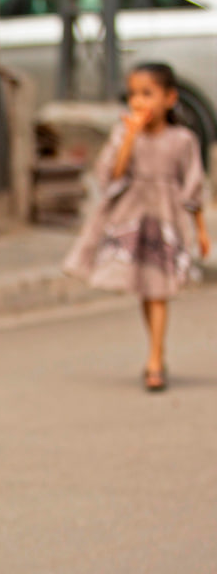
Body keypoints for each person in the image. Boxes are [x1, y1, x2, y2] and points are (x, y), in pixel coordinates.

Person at [63, 61, 210, 392]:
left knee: (158, 292)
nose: (139, 102)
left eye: (147, 94)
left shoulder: (182, 140)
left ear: (170, 98)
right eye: (133, 94)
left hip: (166, 221)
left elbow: (193, 186)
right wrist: (128, 136)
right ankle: (155, 352)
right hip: (132, 220)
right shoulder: (123, 133)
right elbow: (111, 175)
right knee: (147, 290)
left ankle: (155, 358)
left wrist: (201, 230)